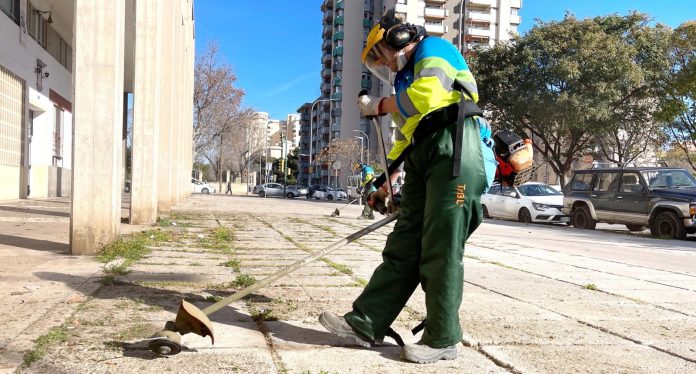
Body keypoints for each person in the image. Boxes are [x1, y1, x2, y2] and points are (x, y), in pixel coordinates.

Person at [319, 9, 496, 364]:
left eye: (381, 54)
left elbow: (429, 97)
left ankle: (443, 337)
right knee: (403, 245)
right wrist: (385, 181)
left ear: (398, 38)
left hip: (457, 147)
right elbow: (407, 136)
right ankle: (366, 323)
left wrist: (378, 106)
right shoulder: (402, 82)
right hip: (424, 153)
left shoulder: (436, 49)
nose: (384, 63)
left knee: (440, 246)